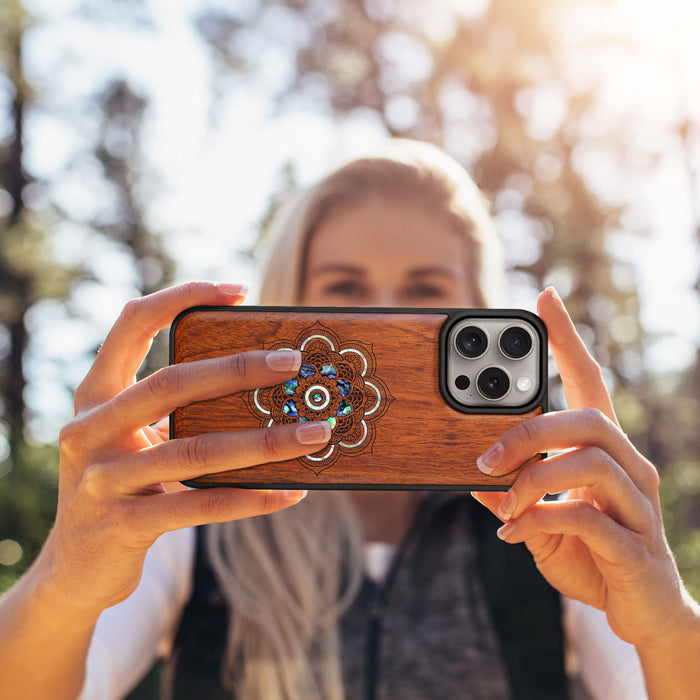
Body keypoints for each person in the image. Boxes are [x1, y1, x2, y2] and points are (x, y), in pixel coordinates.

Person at [1, 140, 699, 700]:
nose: (383, 318)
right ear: (285, 307)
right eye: (345, 291)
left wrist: (667, 627)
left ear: (477, 312)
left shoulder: (545, 522)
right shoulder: (195, 516)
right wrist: (63, 581)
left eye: (425, 291)